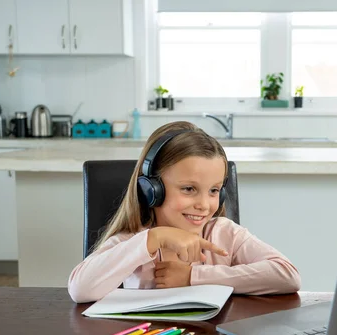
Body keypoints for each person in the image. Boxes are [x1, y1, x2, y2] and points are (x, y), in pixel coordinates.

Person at [68, 121, 301, 303]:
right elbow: (80, 289)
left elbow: (286, 275)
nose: (204, 204)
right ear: (151, 189)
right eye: (189, 189)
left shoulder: (224, 234)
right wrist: (154, 238)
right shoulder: (134, 240)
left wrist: (192, 277)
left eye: (213, 190)